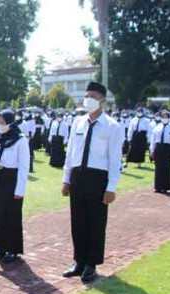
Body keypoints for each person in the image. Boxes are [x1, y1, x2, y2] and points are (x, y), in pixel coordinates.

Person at [62, 82, 124, 283]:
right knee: (77, 221)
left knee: (96, 222)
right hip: (78, 176)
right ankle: (79, 261)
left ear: (102, 100)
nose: (87, 99)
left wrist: (111, 187)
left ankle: (91, 263)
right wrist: (66, 179)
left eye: (92, 96)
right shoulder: (78, 123)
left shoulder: (112, 126)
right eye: (86, 95)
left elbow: (115, 159)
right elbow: (70, 153)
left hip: (98, 179)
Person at [0, 110, 30, 262]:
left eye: (3, 122)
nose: (0, 125)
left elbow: (24, 166)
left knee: (12, 214)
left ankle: (13, 249)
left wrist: (20, 190)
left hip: (12, 179)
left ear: (11, 122)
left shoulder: (20, 140)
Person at [150, 111, 170, 194]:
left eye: (166, 117)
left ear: (169, 118)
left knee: (167, 168)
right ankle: (158, 187)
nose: (164, 119)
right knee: (158, 167)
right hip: (158, 148)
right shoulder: (157, 127)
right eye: (163, 117)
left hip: (168, 148)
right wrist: (152, 151)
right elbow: (153, 140)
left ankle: (166, 187)